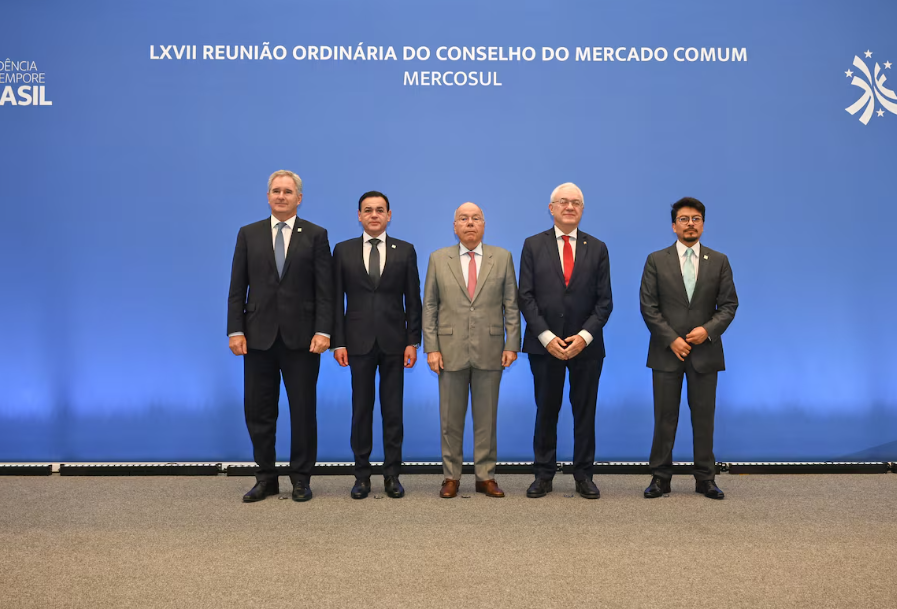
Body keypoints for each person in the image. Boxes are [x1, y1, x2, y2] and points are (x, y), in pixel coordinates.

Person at [227, 170, 333, 503]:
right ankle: (266, 478)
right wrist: (235, 330)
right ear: (268, 196)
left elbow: (325, 290)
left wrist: (324, 330)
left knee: (303, 411)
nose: (281, 196)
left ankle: (301, 479)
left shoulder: (316, 235)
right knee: (258, 412)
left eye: (288, 191)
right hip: (257, 339)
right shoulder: (249, 234)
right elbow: (237, 287)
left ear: (299, 198)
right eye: (276, 191)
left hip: (303, 340)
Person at [518, 182, 613, 499]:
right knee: (546, 410)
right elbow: (525, 297)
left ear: (582, 209)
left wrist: (584, 337)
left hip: (586, 347)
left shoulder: (597, 248)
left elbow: (604, 302)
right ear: (551, 208)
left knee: (585, 412)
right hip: (545, 346)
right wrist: (546, 337)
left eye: (576, 202)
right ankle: (543, 474)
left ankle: (584, 475)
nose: (570, 207)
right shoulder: (533, 245)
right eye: (563, 201)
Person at [639, 196, 738, 500]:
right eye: (684, 219)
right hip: (666, 352)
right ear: (674, 226)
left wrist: (706, 331)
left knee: (704, 418)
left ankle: (706, 479)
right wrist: (672, 339)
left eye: (696, 219)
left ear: (703, 225)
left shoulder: (719, 260)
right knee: (664, 417)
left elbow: (729, 305)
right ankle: (660, 478)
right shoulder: (656, 260)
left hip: (705, 353)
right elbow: (648, 306)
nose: (690, 224)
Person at [422, 202, 521, 498]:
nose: (469, 223)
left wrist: (512, 344)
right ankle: (451, 476)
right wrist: (431, 347)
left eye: (475, 218)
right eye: (463, 219)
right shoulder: (438, 259)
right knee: (450, 419)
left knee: (486, 419)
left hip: (491, 349)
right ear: (455, 227)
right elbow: (430, 306)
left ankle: (485, 476)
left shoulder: (502, 257)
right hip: (449, 350)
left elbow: (511, 305)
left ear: (483, 225)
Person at [332, 191, 422, 500]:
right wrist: (338, 342)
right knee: (361, 410)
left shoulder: (405, 250)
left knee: (393, 411)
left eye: (379, 210)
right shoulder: (342, 250)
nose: (374, 215)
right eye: (368, 210)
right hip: (357, 343)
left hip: (395, 343)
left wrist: (413, 341)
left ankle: (392, 475)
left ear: (389, 215)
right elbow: (335, 300)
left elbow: (413, 300)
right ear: (359, 216)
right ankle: (361, 476)